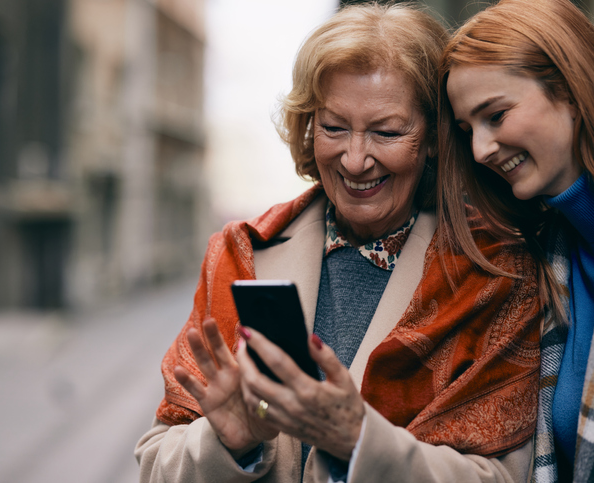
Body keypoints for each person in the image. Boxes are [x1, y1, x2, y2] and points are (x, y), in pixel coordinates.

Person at [136, 3, 542, 482]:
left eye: (386, 131)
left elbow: (504, 477)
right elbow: (155, 463)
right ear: (308, 127)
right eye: (333, 127)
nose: (354, 160)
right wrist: (231, 441)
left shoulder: (493, 271)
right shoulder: (240, 254)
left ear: (433, 137)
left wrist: (359, 442)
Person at [438, 0, 594, 481]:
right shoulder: (547, 253)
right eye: (467, 130)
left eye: (496, 115)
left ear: (568, 90)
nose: (481, 149)